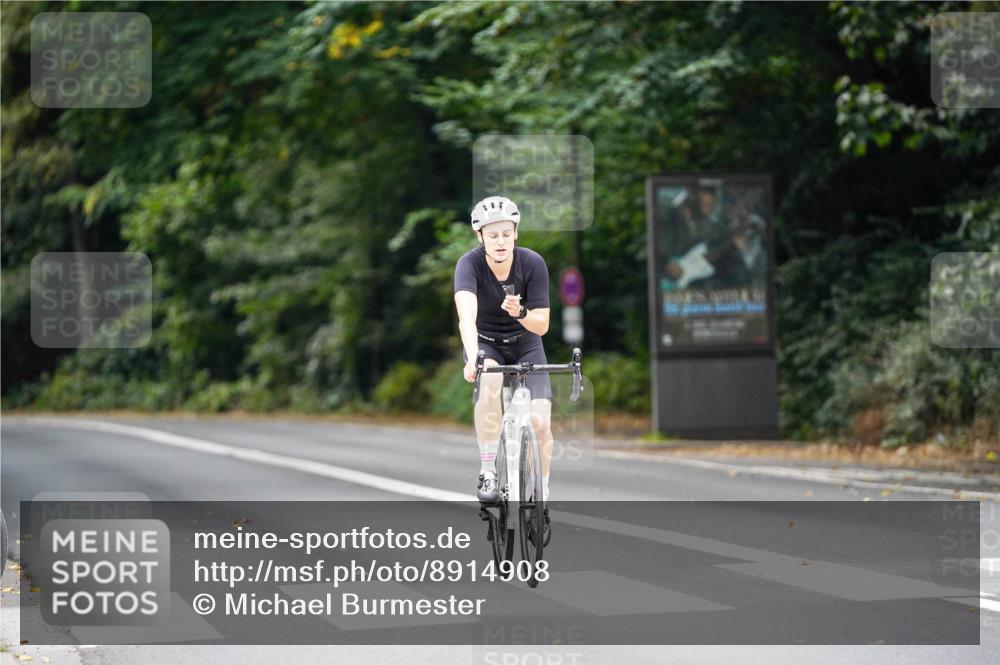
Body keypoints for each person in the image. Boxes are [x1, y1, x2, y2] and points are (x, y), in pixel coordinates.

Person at [453, 195, 554, 509]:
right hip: (486, 343)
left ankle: (542, 494)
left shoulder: (532, 263)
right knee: (491, 385)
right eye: (493, 235)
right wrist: (473, 357)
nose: (500, 242)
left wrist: (521, 313)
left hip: (526, 342)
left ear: (516, 234)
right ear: (480, 236)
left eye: (506, 234)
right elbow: (466, 317)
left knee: (540, 423)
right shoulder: (469, 264)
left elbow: (542, 326)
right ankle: (487, 470)